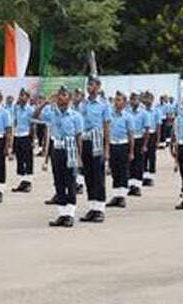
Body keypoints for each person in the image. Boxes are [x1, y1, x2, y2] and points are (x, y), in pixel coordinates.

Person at [34, 87, 84, 227]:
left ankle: (70, 214)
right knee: (59, 181)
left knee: (70, 182)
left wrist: (79, 156)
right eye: (59, 95)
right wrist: (45, 103)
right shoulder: (52, 113)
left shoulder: (76, 116)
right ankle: (62, 214)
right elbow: (35, 115)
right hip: (57, 148)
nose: (61, 97)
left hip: (71, 148)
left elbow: (78, 137)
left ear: (69, 98)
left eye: (64, 95)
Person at [77, 76, 112, 222]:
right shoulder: (82, 105)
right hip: (85, 141)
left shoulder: (104, 105)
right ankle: (92, 207)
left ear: (98, 87)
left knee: (98, 176)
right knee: (88, 176)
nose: (89, 87)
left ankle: (100, 209)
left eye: (92, 85)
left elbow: (107, 128)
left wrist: (106, 149)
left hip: (98, 140)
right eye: (88, 85)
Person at [107, 92, 134, 208]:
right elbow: (107, 132)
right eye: (115, 100)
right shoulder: (110, 115)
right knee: (115, 171)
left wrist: (131, 151)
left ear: (124, 102)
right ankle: (116, 195)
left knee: (123, 171)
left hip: (123, 145)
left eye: (119, 100)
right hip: (113, 145)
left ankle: (122, 197)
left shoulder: (128, 117)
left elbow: (131, 134)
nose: (116, 102)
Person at [11, 89, 36, 192]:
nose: (22, 98)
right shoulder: (16, 108)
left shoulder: (30, 110)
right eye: (21, 96)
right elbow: (15, 122)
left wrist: (33, 139)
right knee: (20, 159)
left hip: (26, 136)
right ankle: (22, 182)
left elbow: (32, 125)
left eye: (24, 96)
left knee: (28, 159)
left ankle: (28, 182)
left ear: (28, 98)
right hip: (17, 135)